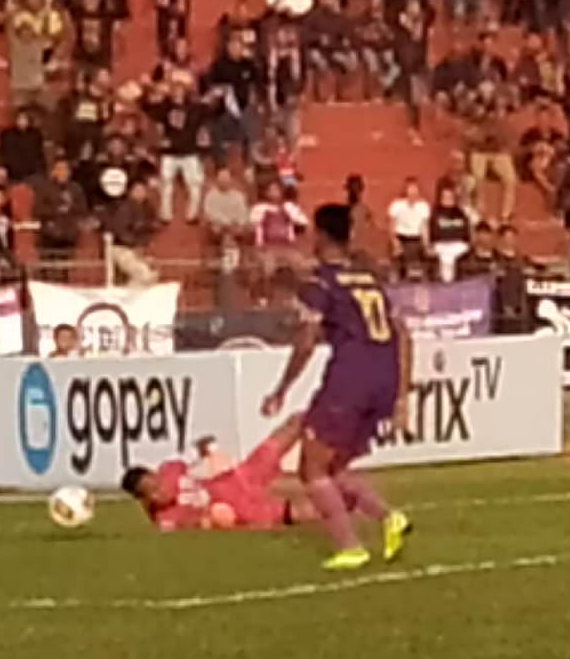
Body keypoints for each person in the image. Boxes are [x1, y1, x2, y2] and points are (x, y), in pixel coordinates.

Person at [263, 201, 411, 569]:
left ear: (321, 235)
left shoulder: (321, 283)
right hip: (384, 376)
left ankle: (350, 547)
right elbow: (403, 334)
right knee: (335, 466)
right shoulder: (370, 278)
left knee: (311, 470)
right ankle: (389, 518)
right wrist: (402, 392)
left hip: (351, 378)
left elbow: (308, 338)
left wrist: (282, 387)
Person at [121, 425, 314, 533]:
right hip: (246, 509)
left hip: (241, 476)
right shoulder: (167, 520)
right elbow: (202, 527)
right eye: (151, 494)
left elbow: (198, 453)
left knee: (295, 423)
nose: (159, 493)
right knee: (311, 509)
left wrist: (206, 450)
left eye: (156, 485)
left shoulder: (170, 469)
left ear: (155, 475)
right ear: (144, 500)